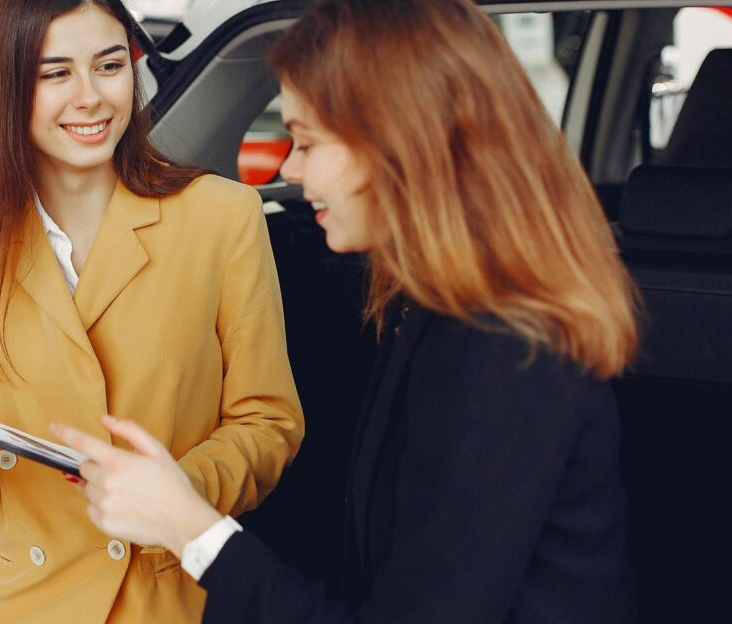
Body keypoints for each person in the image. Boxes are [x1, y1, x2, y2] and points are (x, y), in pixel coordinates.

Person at [51, 0, 642, 622]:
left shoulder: (502, 348)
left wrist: (187, 526)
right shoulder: (435, 304)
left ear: (398, 145)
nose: (288, 168)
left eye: (306, 141)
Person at [0, 0, 304, 622]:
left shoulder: (222, 216)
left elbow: (268, 422)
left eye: (109, 66)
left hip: (155, 586)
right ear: (9, 89)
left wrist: (177, 495)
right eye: (56, 74)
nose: (91, 97)